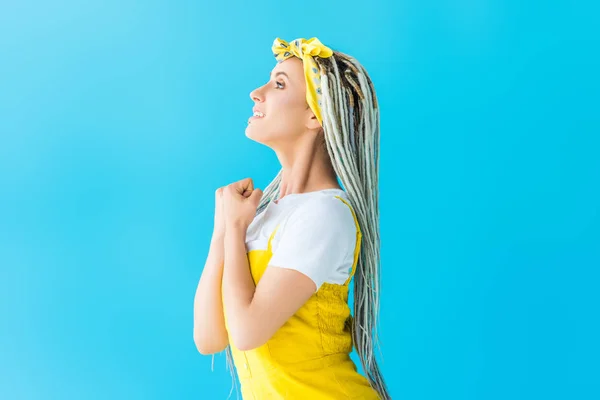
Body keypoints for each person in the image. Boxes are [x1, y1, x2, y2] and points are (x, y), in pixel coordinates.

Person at [193, 37, 390, 399]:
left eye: (279, 83)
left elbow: (248, 331)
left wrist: (236, 228)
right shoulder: (265, 215)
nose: (257, 92)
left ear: (315, 115)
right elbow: (209, 337)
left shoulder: (325, 213)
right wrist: (223, 232)